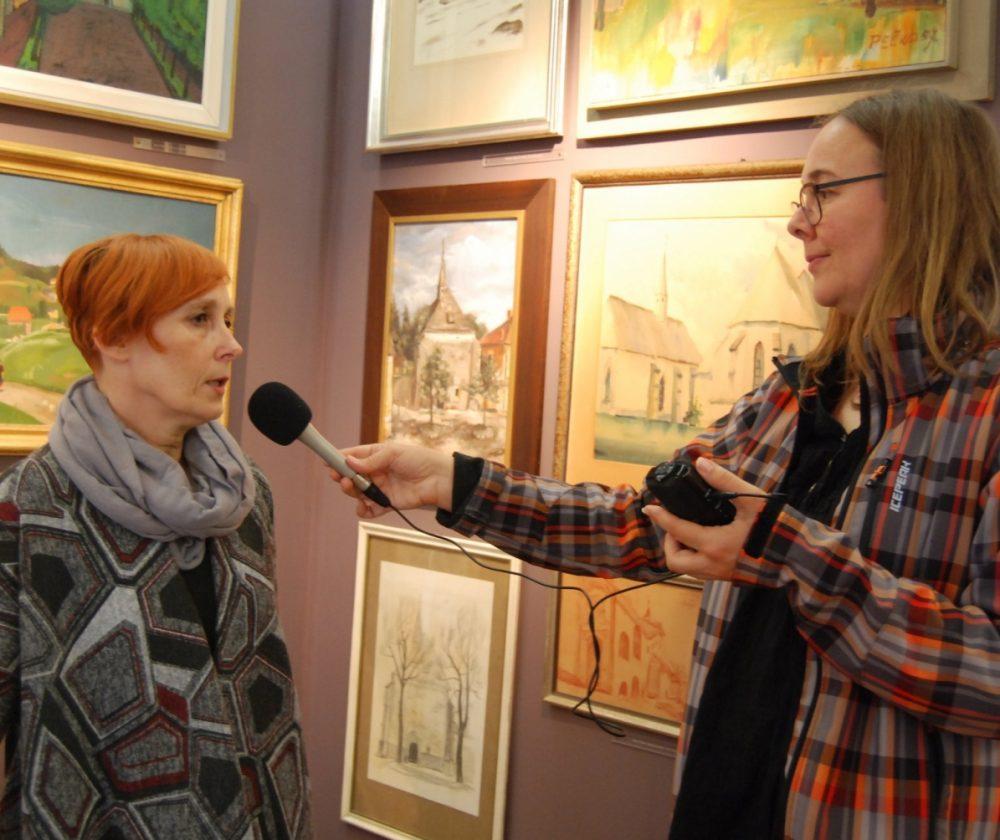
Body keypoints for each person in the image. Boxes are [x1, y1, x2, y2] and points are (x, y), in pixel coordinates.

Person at [332, 88, 998, 838]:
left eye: (824, 190)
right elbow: (637, 523)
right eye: (800, 194)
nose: (797, 221)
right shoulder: (791, 399)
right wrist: (456, 482)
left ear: (921, 198)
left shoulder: (983, 413)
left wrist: (788, 555)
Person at [0, 234, 311, 837]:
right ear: (113, 337)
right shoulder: (29, 511)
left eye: (227, 319)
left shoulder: (246, 494)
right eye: (199, 319)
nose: (232, 345)